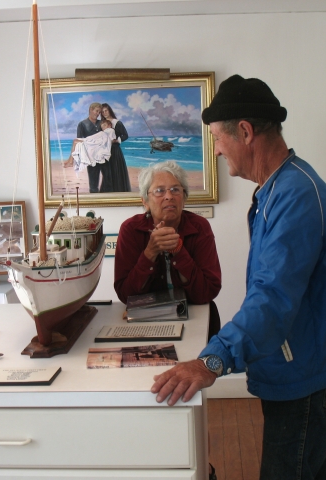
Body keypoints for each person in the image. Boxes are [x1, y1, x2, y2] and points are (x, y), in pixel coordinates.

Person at [151, 75, 326, 480]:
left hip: (303, 381)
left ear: (244, 131)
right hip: (289, 368)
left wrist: (213, 359)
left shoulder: (296, 194)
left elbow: (272, 299)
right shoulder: (278, 189)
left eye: (216, 138)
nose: (214, 150)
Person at [114, 160, 222, 338]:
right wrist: (150, 252)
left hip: (197, 318)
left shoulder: (199, 227)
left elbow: (208, 291)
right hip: (146, 323)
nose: (169, 196)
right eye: (159, 190)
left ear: (184, 199)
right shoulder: (131, 229)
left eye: (175, 190)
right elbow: (126, 295)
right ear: (145, 201)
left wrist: (178, 251)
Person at [101, 103, 131, 192]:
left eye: (106, 110)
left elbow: (125, 135)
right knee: (107, 174)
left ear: (109, 110)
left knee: (116, 172)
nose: (105, 113)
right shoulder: (102, 124)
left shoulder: (117, 122)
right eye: (102, 112)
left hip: (115, 151)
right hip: (105, 151)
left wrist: (116, 140)